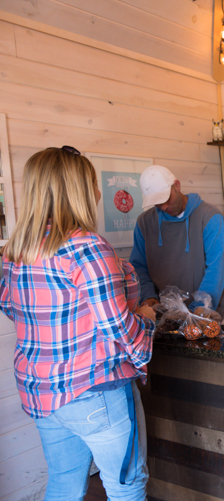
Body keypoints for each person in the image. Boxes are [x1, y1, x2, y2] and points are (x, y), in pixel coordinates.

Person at [0, 146, 157, 500]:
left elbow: (13, 308)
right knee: (126, 484)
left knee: (64, 485)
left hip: (42, 391)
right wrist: (147, 323)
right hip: (95, 390)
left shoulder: (15, 250)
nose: (98, 193)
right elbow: (119, 327)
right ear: (78, 190)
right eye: (91, 184)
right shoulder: (86, 247)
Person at [129, 165, 224, 317]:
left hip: (203, 315)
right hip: (161, 315)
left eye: (166, 199)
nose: (163, 207)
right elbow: (138, 266)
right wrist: (149, 297)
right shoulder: (144, 222)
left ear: (176, 186)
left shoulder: (210, 217)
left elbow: (216, 269)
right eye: (157, 203)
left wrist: (197, 309)